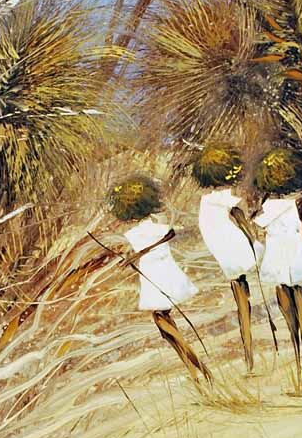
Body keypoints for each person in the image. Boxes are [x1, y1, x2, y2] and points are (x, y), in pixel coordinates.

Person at [109, 175, 212, 384]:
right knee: (166, 329)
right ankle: (194, 372)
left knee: (162, 321)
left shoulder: (137, 232)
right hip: (163, 273)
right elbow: (168, 235)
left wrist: (136, 255)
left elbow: (164, 238)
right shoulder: (154, 227)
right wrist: (133, 257)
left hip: (156, 275)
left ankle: (200, 367)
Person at [194, 145, 263, 373]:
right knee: (243, 297)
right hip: (232, 248)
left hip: (227, 250)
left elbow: (234, 217)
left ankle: (249, 352)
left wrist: (250, 238)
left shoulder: (207, 199)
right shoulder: (221, 197)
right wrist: (252, 238)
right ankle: (248, 352)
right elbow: (239, 217)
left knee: (241, 297)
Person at [253, 148, 302, 389]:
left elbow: (257, 223)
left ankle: (300, 358)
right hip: (296, 259)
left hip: (279, 261)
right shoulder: (295, 202)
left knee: (291, 317)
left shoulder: (269, 207)